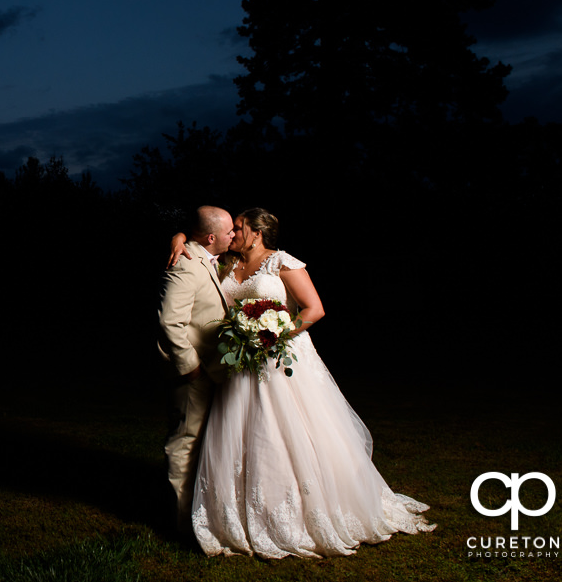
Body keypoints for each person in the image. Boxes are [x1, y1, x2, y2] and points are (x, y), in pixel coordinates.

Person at [168, 208, 435, 557]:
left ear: (257, 232)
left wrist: (274, 334)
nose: (232, 234)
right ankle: (246, 509)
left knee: (294, 431)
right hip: (242, 361)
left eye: (239, 228)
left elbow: (314, 309)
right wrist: (179, 238)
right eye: (230, 229)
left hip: (280, 357)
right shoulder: (227, 264)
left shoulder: (282, 262)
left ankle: (310, 508)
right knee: (246, 433)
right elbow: (204, 240)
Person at [156, 205, 235, 539]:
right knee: (184, 443)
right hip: (195, 374)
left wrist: (180, 234)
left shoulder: (213, 259)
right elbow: (168, 321)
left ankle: (202, 516)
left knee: (206, 444)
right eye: (230, 231)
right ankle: (180, 526)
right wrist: (191, 370)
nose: (235, 235)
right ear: (213, 237)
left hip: (218, 372)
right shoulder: (186, 263)